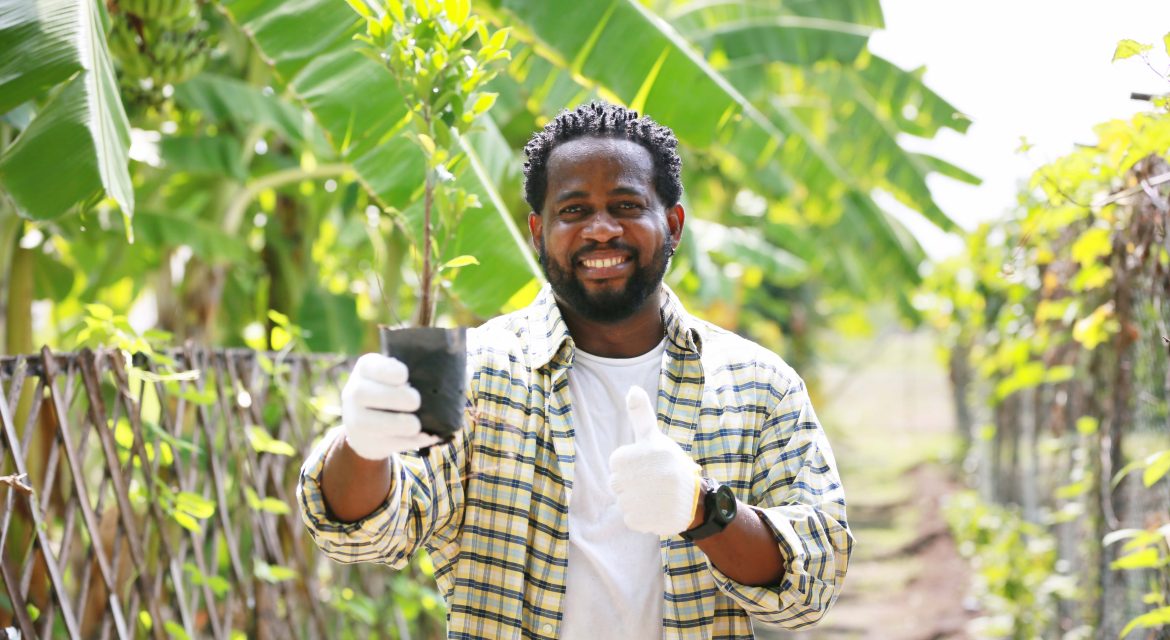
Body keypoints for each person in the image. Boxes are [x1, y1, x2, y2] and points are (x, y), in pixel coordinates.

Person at [298, 101, 852, 639]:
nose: (601, 230)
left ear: (674, 224)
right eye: (575, 211)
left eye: (628, 206)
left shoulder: (759, 384)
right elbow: (365, 536)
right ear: (538, 233)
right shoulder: (476, 372)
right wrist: (362, 446)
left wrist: (703, 508)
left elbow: (814, 582)